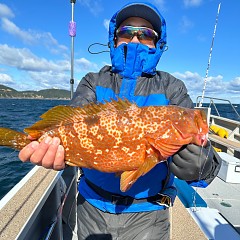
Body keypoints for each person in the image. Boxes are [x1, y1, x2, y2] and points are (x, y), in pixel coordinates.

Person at [19, 2, 222, 239]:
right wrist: (51, 147)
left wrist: (201, 162)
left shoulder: (172, 87)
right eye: (126, 32)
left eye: (146, 33)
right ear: (114, 40)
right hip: (91, 208)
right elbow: (75, 118)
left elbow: (207, 162)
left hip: (151, 216)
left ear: (158, 44)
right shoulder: (92, 82)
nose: (135, 40)